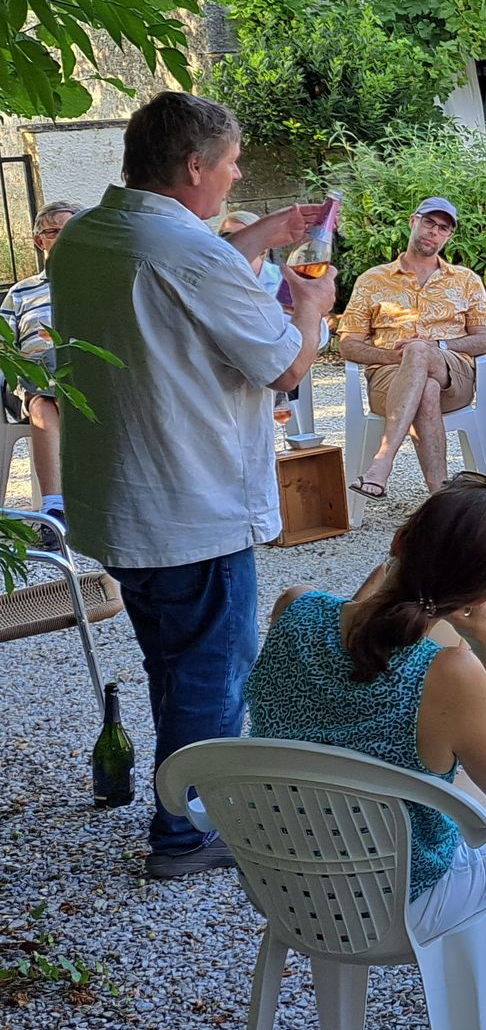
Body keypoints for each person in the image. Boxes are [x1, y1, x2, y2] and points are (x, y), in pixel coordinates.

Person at [48, 92, 333, 878]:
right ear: (196, 166)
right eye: (233, 163)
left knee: (172, 658)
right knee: (215, 664)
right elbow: (284, 365)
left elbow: (184, 266)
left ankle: (182, 799)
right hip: (191, 500)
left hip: (121, 499)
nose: (238, 176)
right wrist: (309, 307)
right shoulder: (193, 256)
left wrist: (265, 235)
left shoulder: (86, 236)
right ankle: (182, 832)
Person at [246, 475, 486, 1022]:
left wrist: (384, 584)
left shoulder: (294, 608)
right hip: (403, 899)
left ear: (399, 539)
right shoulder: (449, 674)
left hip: (284, 879)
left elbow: (351, 666)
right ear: (483, 596)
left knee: (475, 759)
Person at [337, 198, 486, 501]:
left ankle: (383, 462)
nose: (434, 231)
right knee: (425, 388)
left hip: (453, 375)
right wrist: (394, 356)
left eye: (443, 228)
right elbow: (348, 344)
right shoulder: (372, 280)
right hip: (389, 380)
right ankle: (441, 499)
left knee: (421, 352)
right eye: (429, 223)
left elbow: (484, 341)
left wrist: (436, 346)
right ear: (413, 222)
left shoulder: (465, 280)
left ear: (449, 237)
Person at [0, 200, 85, 522]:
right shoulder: (21, 293)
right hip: (30, 380)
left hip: (90, 378)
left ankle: (55, 509)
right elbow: (3, 344)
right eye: (54, 232)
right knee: (42, 399)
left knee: (50, 400)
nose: (64, 238)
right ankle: (56, 509)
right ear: (40, 241)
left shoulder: (102, 286)